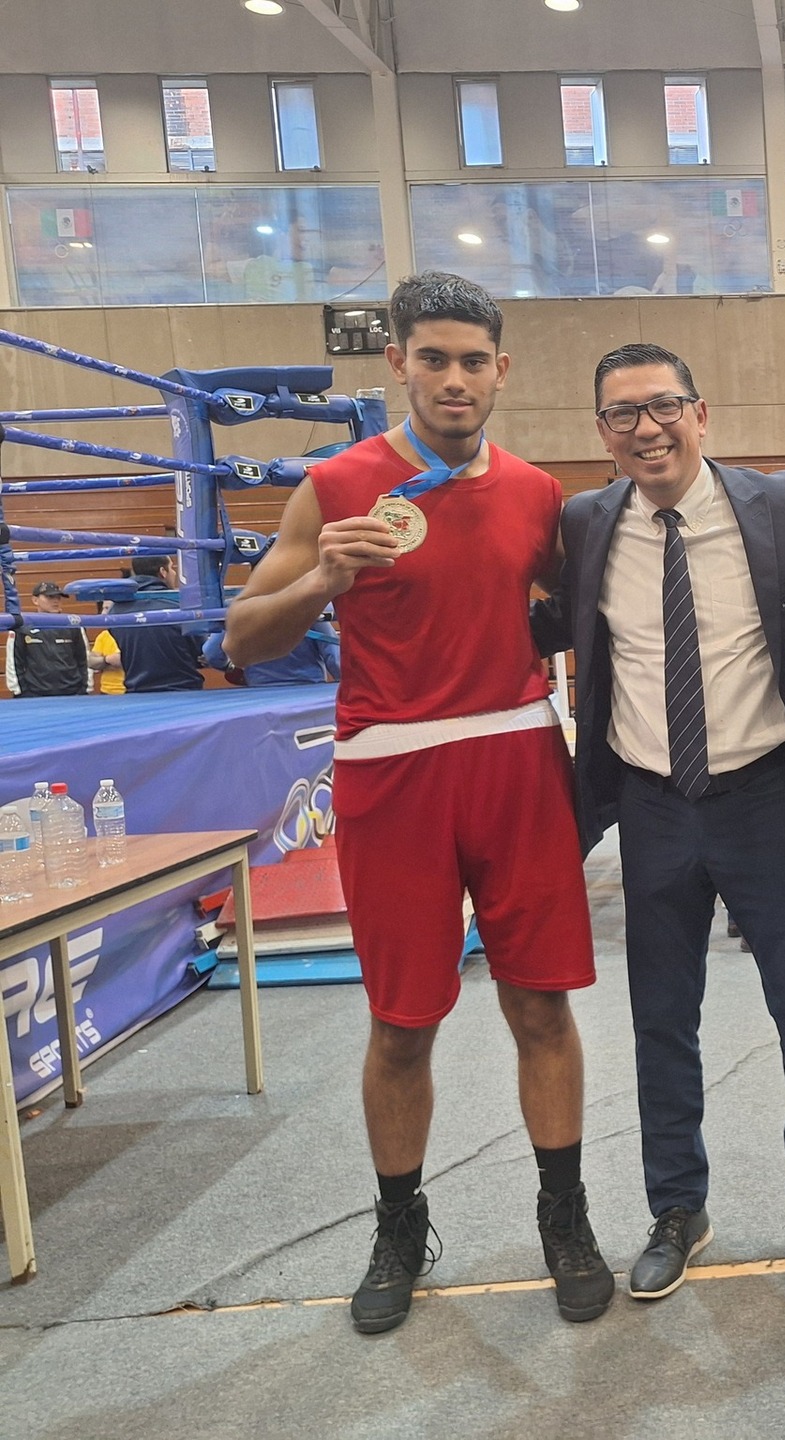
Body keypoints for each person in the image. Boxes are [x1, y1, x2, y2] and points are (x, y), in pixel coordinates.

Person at [222, 272, 610, 1334]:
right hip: (392, 774)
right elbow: (239, 639)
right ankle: (399, 1225)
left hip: (516, 760)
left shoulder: (536, 493)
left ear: (501, 370)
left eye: (471, 360)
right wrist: (318, 588)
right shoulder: (337, 484)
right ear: (395, 361)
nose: (452, 378)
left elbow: (580, 621)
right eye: (431, 358)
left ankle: (563, 1218)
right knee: (401, 1022)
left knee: (541, 1004)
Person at [533, 341, 785, 1302]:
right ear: (602, 434)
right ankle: (677, 1205)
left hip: (766, 794)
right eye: (623, 414)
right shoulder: (586, 523)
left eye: (663, 406)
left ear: (701, 414)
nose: (646, 427)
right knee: (660, 1018)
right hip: (652, 801)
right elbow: (537, 622)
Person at [114, 555, 207, 693]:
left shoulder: (115, 611)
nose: (174, 573)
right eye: (172, 568)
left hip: (136, 693)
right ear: (163, 572)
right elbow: (203, 652)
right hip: (183, 690)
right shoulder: (180, 607)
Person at [5, 582, 97, 698]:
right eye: (50, 597)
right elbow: (13, 662)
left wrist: (85, 689)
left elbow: (84, 659)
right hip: (34, 696)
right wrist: (21, 692)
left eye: (58, 597)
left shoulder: (74, 626)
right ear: (35, 600)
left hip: (72, 694)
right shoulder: (21, 627)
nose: (55, 601)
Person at [201, 620, 340, 686]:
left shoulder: (240, 610)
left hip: (261, 693)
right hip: (310, 690)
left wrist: (230, 668)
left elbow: (212, 653)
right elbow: (334, 657)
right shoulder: (310, 604)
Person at [91, 627, 125, 695]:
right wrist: (107, 659)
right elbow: (92, 662)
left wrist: (124, 661)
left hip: (130, 690)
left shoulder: (136, 636)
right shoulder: (104, 635)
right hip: (107, 691)